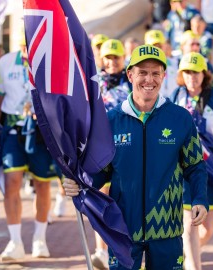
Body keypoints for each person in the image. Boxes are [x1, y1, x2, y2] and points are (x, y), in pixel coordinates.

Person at [63, 44, 208, 269]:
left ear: (163, 76)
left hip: (166, 229)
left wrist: (199, 199)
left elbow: (195, 166)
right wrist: (79, 183)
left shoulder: (180, 118)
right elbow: (102, 170)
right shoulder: (110, 121)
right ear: (130, 75)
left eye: (155, 73)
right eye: (142, 73)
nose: (148, 79)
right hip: (123, 229)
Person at [0, 30, 59, 261]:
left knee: (43, 185)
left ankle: (40, 239)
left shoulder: (49, 63)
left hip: (41, 132)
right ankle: (15, 241)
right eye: (24, 43)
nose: (28, 48)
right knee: (12, 182)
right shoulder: (5, 62)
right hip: (12, 130)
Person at [171, 52, 213, 270]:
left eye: (196, 72)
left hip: (212, 168)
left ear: (204, 74)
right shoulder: (175, 96)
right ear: (182, 74)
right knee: (189, 223)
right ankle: (193, 266)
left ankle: (181, 256)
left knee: (207, 228)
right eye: (188, 72)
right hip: (183, 169)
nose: (192, 76)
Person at [90, 38, 132, 269]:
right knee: (101, 197)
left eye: (116, 57)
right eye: (108, 57)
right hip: (100, 147)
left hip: (127, 146)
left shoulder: (131, 81)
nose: (112, 61)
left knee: (124, 198)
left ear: (123, 58)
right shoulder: (94, 82)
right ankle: (101, 250)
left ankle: (125, 248)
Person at [144, 29, 178, 98]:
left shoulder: (175, 63)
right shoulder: (141, 66)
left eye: (159, 46)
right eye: (153, 46)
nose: (157, 49)